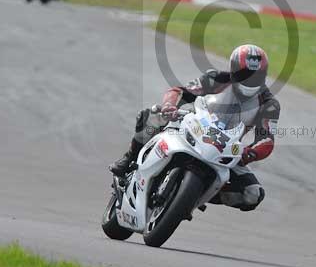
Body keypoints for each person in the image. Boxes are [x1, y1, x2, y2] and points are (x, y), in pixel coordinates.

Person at [110, 44, 280, 212]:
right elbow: (180, 91)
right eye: (244, 74)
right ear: (233, 69)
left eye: (255, 76)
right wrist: (170, 106)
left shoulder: (269, 104)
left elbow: (266, 139)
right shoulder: (216, 78)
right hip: (195, 125)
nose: (249, 79)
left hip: (226, 147)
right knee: (153, 117)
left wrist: (249, 153)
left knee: (252, 194)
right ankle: (129, 158)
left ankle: (198, 193)